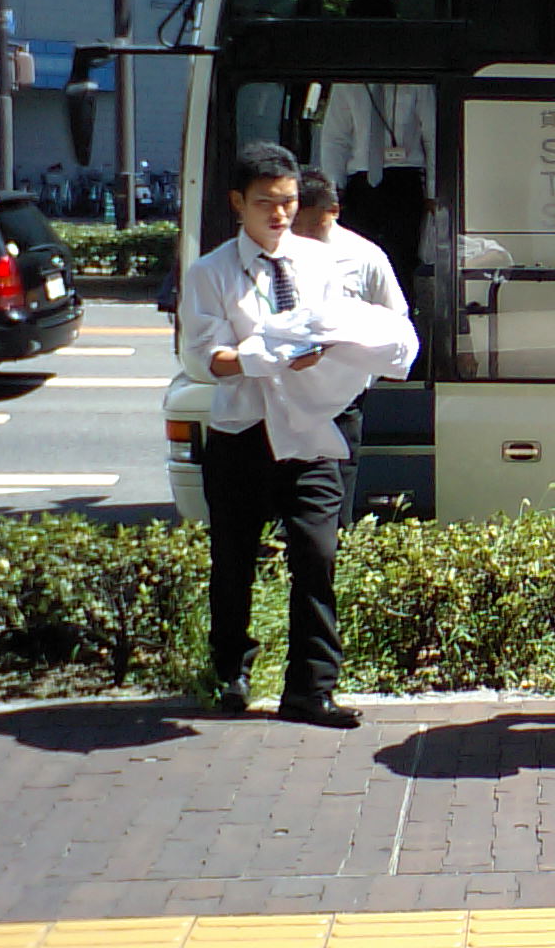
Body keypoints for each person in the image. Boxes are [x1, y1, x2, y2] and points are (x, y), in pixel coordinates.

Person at [180, 143, 417, 730]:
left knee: (317, 555)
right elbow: (205, 359)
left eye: (288, 202)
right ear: (238, 203)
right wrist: (263, 357)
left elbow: (342, 325)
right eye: (267, 203)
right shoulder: (210, 273)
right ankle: (230, 672)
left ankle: (311, 689)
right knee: (234, 561)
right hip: (244, 432)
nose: (280, 214)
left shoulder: (320, 262)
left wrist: (348, 350)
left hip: (311, 430)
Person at [294, 166, 409, 529]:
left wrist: (362, 370)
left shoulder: (364, 256)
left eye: (313, 224)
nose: (304, 233)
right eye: (297, 224)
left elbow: (396, 321)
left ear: (333, 211)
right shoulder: (275, 252)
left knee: (335, 502)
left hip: (341, 401)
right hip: (284, 396)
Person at [317, 67, 435, 302]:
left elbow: (433, 136)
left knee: (401, 262)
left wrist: (433, 190)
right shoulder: (348, 82)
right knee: (355, 261)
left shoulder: (417, 80)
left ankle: (400, 318)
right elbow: (335, 139)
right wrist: (332, 190)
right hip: (361, 184)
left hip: (405, 181)